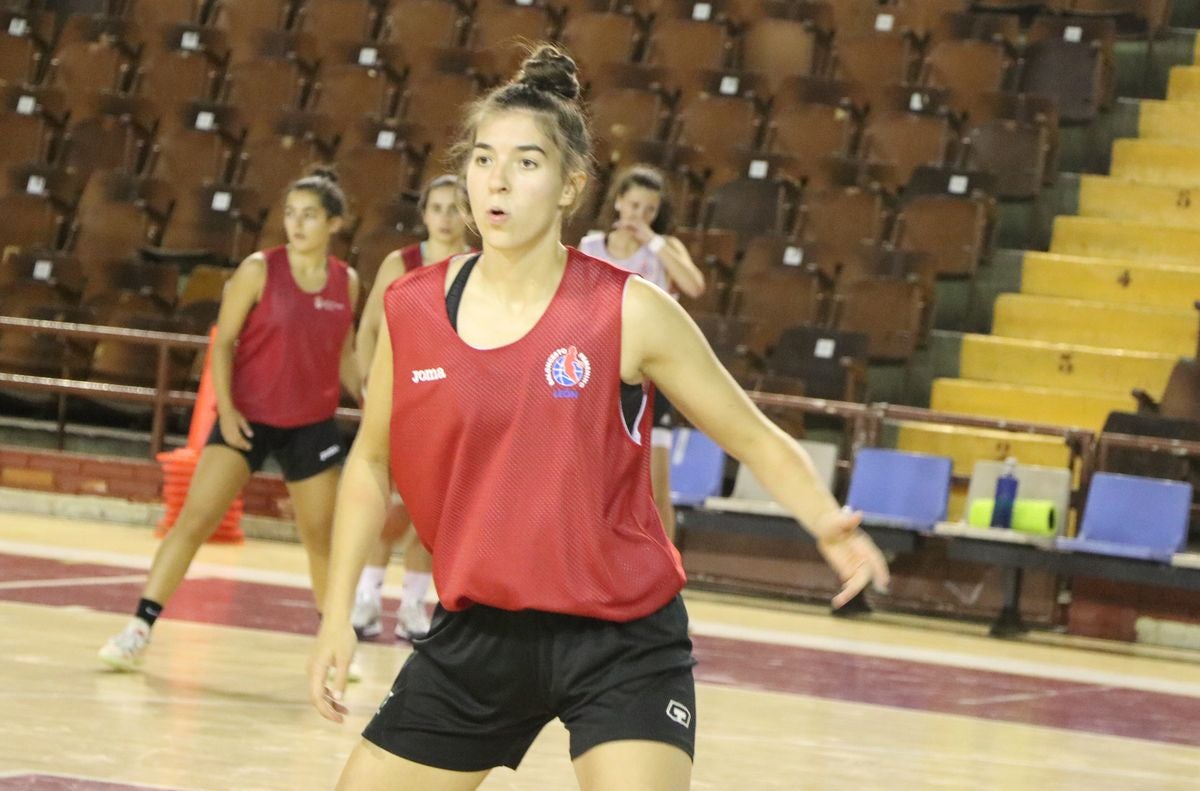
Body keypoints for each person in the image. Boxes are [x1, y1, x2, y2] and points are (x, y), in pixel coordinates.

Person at [309, 45, 889, 790]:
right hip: (480, 629)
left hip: (620, 634)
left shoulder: (627, 310)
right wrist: (334, 617)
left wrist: (829, 524)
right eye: (484, 159)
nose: (498, 181)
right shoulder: (412, 306)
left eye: (525, 163)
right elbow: (369, 460)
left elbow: (749, 433)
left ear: (570, 186)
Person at [99, 169, 361, 671]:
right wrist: (232, 408)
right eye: (290, 214)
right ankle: (138, 628)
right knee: (194, 520)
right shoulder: (259, 270)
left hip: (311, 424)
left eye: (309, 215)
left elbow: (344, 353)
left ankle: (333, 646)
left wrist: (372, 398)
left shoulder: (346, 281)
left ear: (334, 224)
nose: (297, 224)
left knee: (322, 537)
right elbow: (222, 343)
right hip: (249, 418)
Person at [351, 174, 473, 641]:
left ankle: (413, 607)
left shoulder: (480, 265)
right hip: (397, 400)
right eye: (437, 207)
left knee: (435, 515)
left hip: (447, 405)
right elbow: (367, 331)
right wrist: (369, 387)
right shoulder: (397, 263)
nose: (445, 217)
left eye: (454, 207)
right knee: (385, 508)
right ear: (423, 213)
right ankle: (367, 599)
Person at [579, 165, 705, 543]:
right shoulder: (590, 247)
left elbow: (694, 286)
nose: (639, 215)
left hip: (652, 378)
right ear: (617, 202)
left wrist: (652, 239)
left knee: (656, 485)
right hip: (601, 375)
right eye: (633, 205)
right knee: (592, 480)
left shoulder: (666, 250)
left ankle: (665, 575)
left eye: (649, 210)